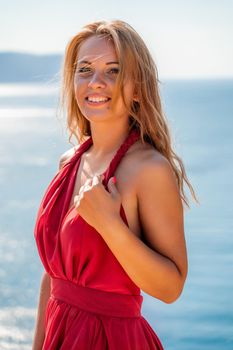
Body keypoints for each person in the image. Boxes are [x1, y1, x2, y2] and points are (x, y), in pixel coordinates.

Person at [32, 19, 198, 350]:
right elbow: (53, 277)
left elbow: (170, 288)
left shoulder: (150, 170)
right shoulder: (69, 163)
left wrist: (109, 224)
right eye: (85, 70)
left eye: (113, 71)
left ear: (137, 88)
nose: (96, 82)